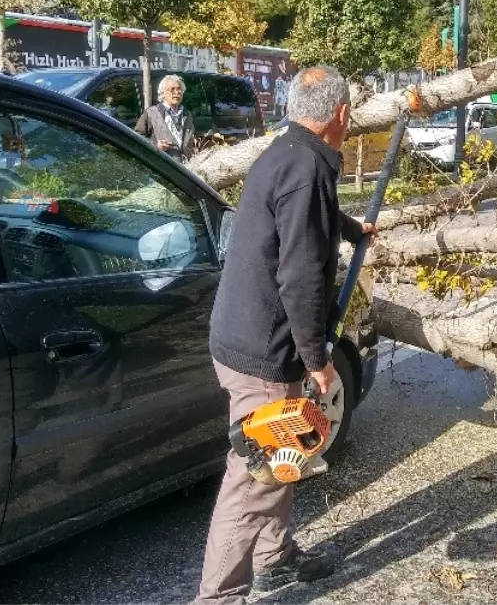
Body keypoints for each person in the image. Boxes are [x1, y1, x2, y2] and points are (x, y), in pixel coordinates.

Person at [192, 66, 376, 605]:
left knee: (284, 450)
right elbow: (298, 273)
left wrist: (349, 228)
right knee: (253, 479)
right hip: (264, 351)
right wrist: (317, 357)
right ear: (340, 114)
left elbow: (300, 218)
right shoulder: (305, 167)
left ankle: (275, 558)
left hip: (244, 335)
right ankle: (218, 597)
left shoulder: (286, 153)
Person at [135, 74, 196, 162]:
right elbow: (137, 138)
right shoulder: (151, 113)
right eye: (172, 89)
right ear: (163, 93)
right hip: (162, 168)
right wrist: (155, 145)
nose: (177, 92)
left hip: (185, 169)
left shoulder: (187, 114)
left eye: (179, 89)